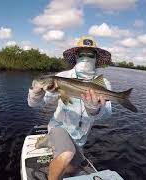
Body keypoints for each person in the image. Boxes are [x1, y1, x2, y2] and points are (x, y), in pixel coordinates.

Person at [27, 36, 113, 180]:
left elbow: (107, 115)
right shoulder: (61, 77)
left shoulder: (103, 83)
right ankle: (54, 140)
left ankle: (49, 141)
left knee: (70, 169)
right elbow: (35, 104)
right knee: (66, 153)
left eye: (90, 54)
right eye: (82, 54)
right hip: (59, 127)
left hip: (80, 138)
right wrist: (36, 93)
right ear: (76, 56)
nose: (86, 57)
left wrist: (94, 109)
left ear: (96, 58)